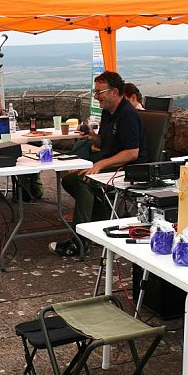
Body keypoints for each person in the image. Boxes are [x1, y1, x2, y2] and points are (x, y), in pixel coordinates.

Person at [50, 71, 148, 256]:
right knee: (69, 180)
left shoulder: (128, 115)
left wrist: (101, 164)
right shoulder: (108, 112)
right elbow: (106, 143)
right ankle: (101, 219)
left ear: (114, 92)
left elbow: (132, 152)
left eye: (99, 92)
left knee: (82, 181)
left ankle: (79, 242)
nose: (96, 96)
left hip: (129, 170)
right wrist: (93, 137)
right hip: (111, 164)